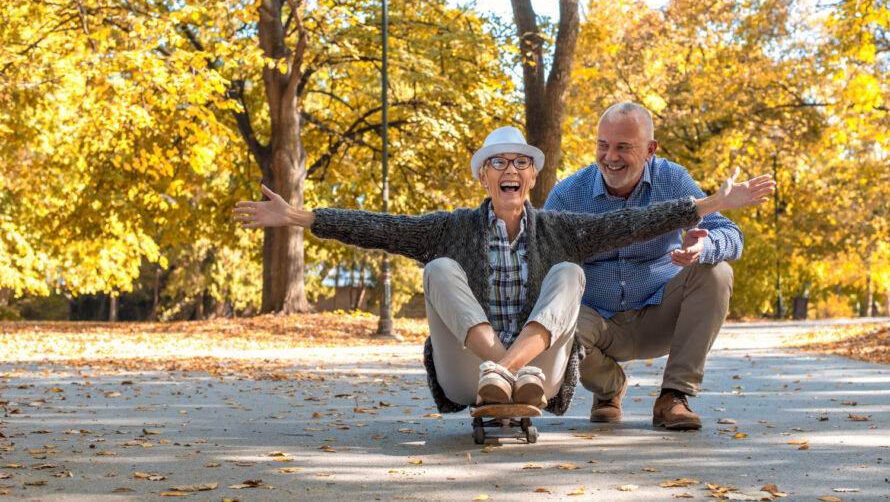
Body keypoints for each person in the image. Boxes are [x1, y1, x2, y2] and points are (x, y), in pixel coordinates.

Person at [234, 126, 773, 416]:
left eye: (520, 163)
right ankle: (501, 368)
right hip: (469, 372)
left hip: (542, 375)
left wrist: (704, 205)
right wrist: (300, 217)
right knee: (441, 268)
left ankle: (515, 370)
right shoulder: (450, 228)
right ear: (483, 178)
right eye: (498, 163)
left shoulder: (562, 228)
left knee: (568, 273)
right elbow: (379, 227)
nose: (509, 170)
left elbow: (639, 223)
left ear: (532, 178)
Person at [544, 102, 755, 430]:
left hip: (661, 314)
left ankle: (674, 396)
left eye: (623, 147)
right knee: (550, 323)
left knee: (718, 271)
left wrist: (704, 247)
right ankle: (609, 388)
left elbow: (731, 235)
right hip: (596, 321)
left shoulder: (671, 180)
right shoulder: (568, 195)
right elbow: (542, 266)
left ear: (650, 150)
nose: (610, 157)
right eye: (603, 145)